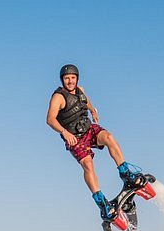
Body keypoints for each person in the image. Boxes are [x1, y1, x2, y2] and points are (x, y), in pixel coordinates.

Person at [46, 64, 146, 221]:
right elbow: (50, 119)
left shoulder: (81, 90)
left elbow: (86, 101)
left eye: (73, 78)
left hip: (88, 129)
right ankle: (102, 204)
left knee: (108, 137)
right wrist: (64, 133)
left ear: (77, 78)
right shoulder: (58, 97)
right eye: (67, 78)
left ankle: (125, 173)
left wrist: (93, 111)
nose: (70, 81)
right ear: (62, 80)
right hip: (74, 137)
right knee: (88, 164)